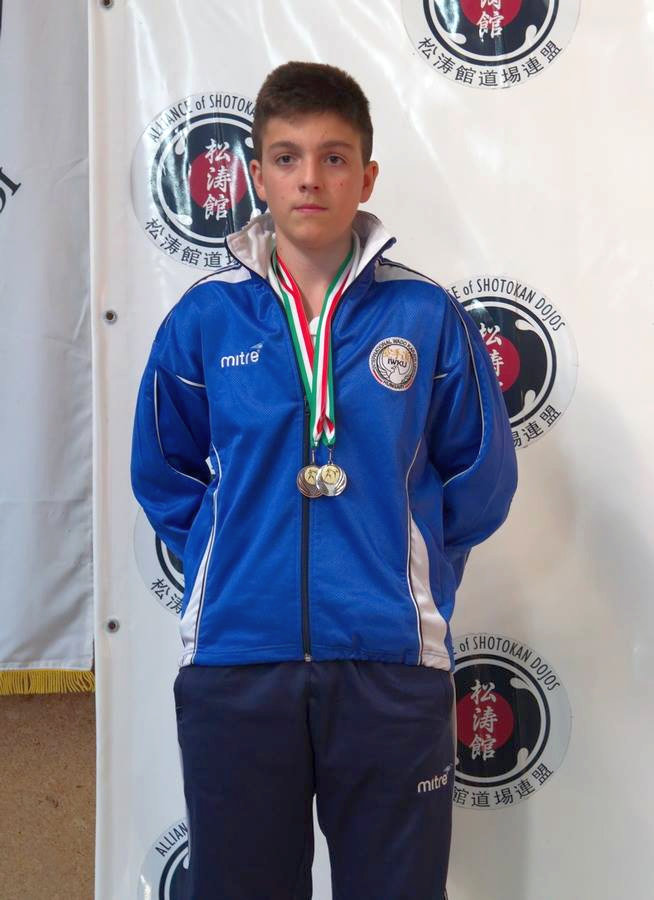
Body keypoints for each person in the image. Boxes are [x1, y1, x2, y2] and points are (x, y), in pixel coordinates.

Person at [131, 60, 518, 900]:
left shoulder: (425, 316)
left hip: (390, 662)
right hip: (238, 662)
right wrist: (228, 558)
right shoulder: (203, 320)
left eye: (334, 158)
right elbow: (161, 471)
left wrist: (409, 567)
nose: (310, 178)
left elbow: (482, 478)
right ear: (258, 174)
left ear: (366, 177)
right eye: (288, 157)